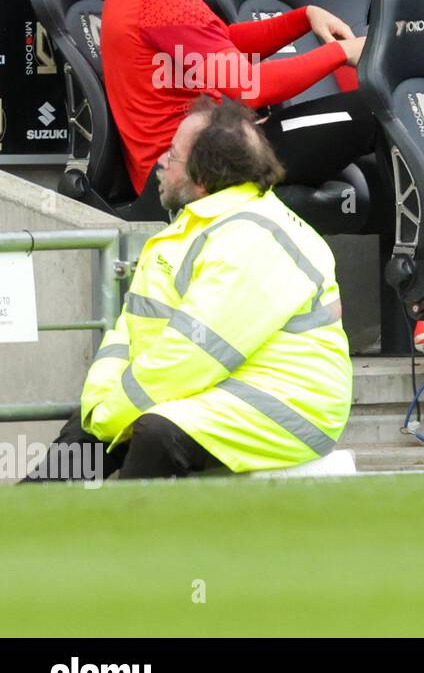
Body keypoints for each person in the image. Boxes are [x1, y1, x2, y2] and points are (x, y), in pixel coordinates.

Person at [24, 98, 352, 481]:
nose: (161, 162)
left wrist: (111, 413)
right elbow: (128, 336)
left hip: (289, 407)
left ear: (202, 181)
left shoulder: (252, 237)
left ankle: (125, 537)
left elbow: (193, 354)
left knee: (155, 432)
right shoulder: (198, 227)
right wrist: (100, 403)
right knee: (85, 430)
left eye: (173, 155)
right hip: (218, 389)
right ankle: (23, 528)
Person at [101, 0, 377, 221]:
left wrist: (302, 17)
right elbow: (250, 88)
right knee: (375, 107)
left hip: (211, 149)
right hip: (198, 170)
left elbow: (219, 42)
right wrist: (340, 52)